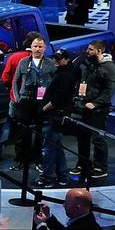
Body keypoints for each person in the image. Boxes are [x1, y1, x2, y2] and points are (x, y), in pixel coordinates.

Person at [8, 35, 55, 167]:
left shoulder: (50, 64)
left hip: (41, 102)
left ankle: (38, 160)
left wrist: (49, 100)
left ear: (45, 48)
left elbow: (55, 83)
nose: (38, 49)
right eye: (35, 46)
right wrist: (17, 97)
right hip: (25, 101)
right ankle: (20, 160)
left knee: (40, 132)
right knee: (22, 132)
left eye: (40, 47)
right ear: (31, 47)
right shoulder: (23, 62)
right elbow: (15, 81)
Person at [37, 49, 80, 188]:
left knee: (48, 148)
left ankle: (47, 178)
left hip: (55, 115)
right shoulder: (62, 71)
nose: (56, 60)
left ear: (67, 59)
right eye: (55, 58)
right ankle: (63, 176)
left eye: (59, 58)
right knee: (56, 146)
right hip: (55, 114)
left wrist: (44, 109)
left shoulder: (67, 74)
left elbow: (58, 97)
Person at [73, 40, 115, 180]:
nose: (87, 51)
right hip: (83, 106)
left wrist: (96, 103)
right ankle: (83, 164)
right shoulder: (87, 63)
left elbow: (109, 90)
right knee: (82, 137)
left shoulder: (108, 67)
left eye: (90, 49)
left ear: (99, 51)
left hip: (98, 109)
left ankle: (101, 167)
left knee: (97, 139)